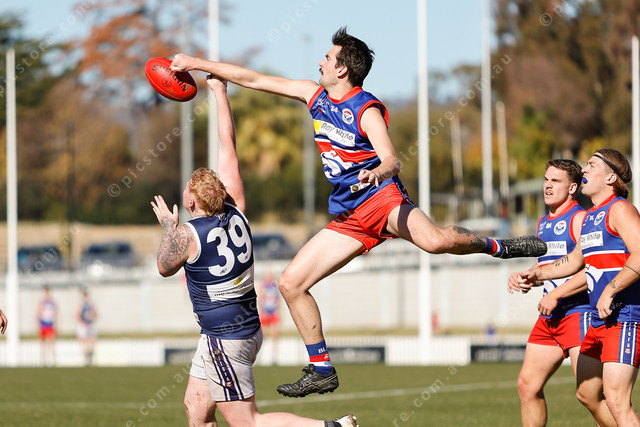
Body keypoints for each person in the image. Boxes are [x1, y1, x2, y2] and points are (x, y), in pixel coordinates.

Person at [170, 27, 547, 397]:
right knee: (290, 283)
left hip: (382, 199)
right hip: (350, 217)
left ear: (342, 69)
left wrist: (377, 173)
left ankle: (498, 246)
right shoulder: (313, 95)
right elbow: (252, 78)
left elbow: (392, 159)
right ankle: (322, 370)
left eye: (327, 57)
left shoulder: (366, 109)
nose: (320, 62)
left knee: (435, 242)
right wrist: (198, 64)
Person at [151, 75, 357, 427]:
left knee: (248, 422)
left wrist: (169, 226)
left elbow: (163, 266)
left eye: (187, 189)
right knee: (197, 408)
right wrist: (220, 91)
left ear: (191, 202)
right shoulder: (237, 209)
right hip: (241, 329)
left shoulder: (187, 234)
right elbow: (227, 146)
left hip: (225, 339)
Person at [509, 148, 640, 426]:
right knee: (586, 394)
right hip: (600, 319)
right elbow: (574, 260)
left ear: (610, 178)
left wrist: (610, 290)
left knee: (617, 400)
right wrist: (536, 274)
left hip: (624, 315)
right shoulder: (593, 215)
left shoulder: (619, 208)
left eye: (592, 165)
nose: (584, 170)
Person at [507, 159, 589, 426]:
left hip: (579, 313)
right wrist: (527, 276)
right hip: (550, 317)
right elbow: (547, 266)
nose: (548, 186)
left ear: (573, 188)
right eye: (546, 180)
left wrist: (556, 295)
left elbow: (591, 269)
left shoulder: (579, 218)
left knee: (590, 395)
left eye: (555, 181)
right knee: (527, 386)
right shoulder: (543, 222)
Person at [257, 270, 280, 364]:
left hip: (273, 312)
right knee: (263, 335)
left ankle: (274, 356)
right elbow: (260, 299)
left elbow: (278, 300)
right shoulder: (263, 285)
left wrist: (278, 311)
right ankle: (259, 355)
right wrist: (262, 311)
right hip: (265, 312)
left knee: (275, 335)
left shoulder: (275, 286)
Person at [76, 290, 98, 366]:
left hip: (90, 325)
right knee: (83, 341)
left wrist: (92, 318)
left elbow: (95, 313)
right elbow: (77, 315)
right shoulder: (80, 305)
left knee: (91, 341)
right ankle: (85, 357)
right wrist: (83, 323)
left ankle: (90, 357)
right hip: (83, 325)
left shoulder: (91, 305)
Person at [37, 285, 57, 366]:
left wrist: (56, 324)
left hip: (50, 324)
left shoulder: (52, 302)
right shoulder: (41, 302)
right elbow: (38, 313)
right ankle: (43, 360)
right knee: (43, 343)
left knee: (50, 343)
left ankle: (50, 360)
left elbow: (55, 314)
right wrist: (38, 324)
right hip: (43, 324)